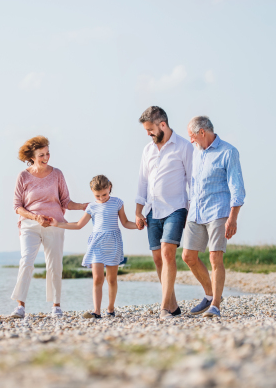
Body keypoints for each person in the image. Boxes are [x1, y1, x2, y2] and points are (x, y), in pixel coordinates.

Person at [10, 136, 87, 319]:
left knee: (54, 264)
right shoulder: (23, 176)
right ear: (32, 156)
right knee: (26, 261)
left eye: (47, 153)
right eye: (41, 155)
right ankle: (20, 306)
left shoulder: (57, 174)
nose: (46, 158)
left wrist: (85, 206)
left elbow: (66, 201)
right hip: (30, 224)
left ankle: (56, 306)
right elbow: (17, 207)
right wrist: (35, 217)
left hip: (54, 223)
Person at [182, 116, 245, 318]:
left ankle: (215, 306)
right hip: (196, 212)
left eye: (191, 136)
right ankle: (210, 295)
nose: (190, 140)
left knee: (215, 258)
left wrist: (233, 218)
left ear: (202, 132)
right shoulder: (196, 153)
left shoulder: (228, 152)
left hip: (218, 211)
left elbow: (237, 188)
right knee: (188, 256)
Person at [51, 175, 138, 319]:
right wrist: (58, 224)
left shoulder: (117, 202)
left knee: (111, 279)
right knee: (97, 278)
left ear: (109, 187)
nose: (102, 198)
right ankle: (97, 311)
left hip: (113, 243)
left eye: (104, 194)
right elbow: (78, 225)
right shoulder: (91, 206)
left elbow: (125, 223)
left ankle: (110, 309)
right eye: (98, 195)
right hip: (97, 244)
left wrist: (138, 226)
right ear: (92, 191)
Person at [135, 106, 193, 319]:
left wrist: (191, 210)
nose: (148, 133)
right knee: (158, 259)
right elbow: (142, 181)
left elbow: (192, 181)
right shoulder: (147, 150)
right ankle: (174, 306)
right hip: (152, 210)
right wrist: (138, 211)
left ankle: (164, 308)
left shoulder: (184, 147)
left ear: (162, 125)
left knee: (168, 253)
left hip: (176, 208)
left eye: (150, 129)